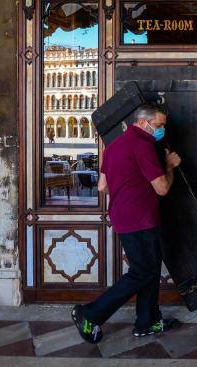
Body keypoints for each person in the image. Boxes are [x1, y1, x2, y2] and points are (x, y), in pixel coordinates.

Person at [71, 103, 182, 344]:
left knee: (149, 271)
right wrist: (170, 166)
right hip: (140, 218)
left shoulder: (113, 146)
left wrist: (127, 189)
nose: (162, 130)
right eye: (160, 125)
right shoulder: (143, 145)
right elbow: (162, 188)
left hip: (123, 216)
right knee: (142, 273)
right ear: (144, 123)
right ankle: (90, 314)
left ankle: (147, 322)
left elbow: (102, 186)